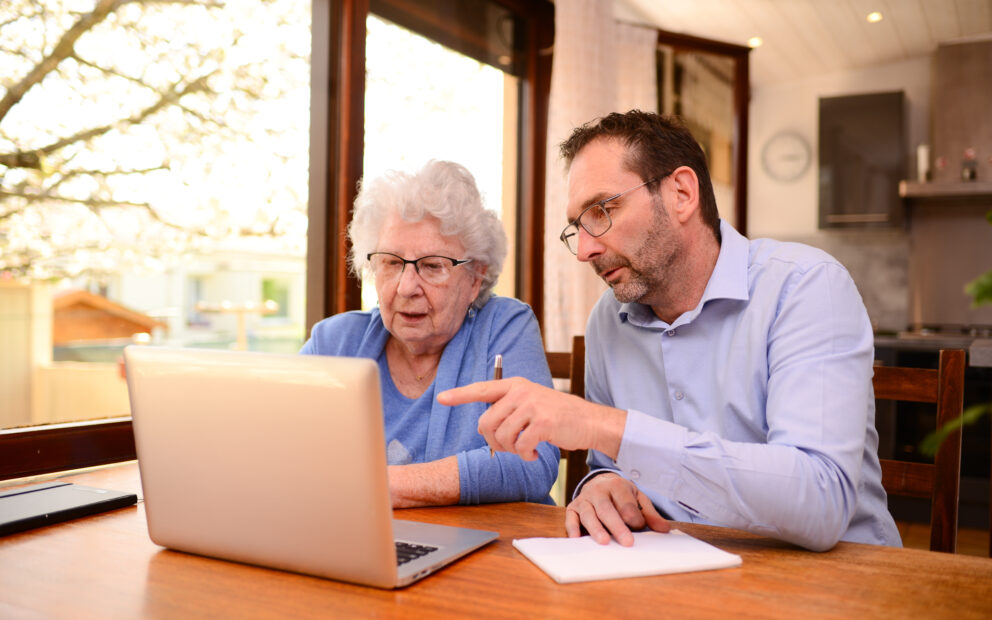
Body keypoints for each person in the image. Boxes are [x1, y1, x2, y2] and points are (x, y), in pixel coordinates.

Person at [439, 110, 901, 551]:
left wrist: (597, 423)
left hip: (835, 581)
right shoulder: (609, 319)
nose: (583, 251)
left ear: (681, 193)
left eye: (601, 211)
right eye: (576, 227)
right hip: (678, 572)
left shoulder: (805, 286)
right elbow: (610, 464)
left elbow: (820, 502)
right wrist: (602, 485)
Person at [301, 160, 559, 507]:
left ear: (475, 278)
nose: (407, 287)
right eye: (391, 262)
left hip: (489, 550)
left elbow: (532, 461)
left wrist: (377, 486)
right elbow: (282, 453)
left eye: (433, 266)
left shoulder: (504, 326)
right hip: (363, 546)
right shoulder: (334, 342)